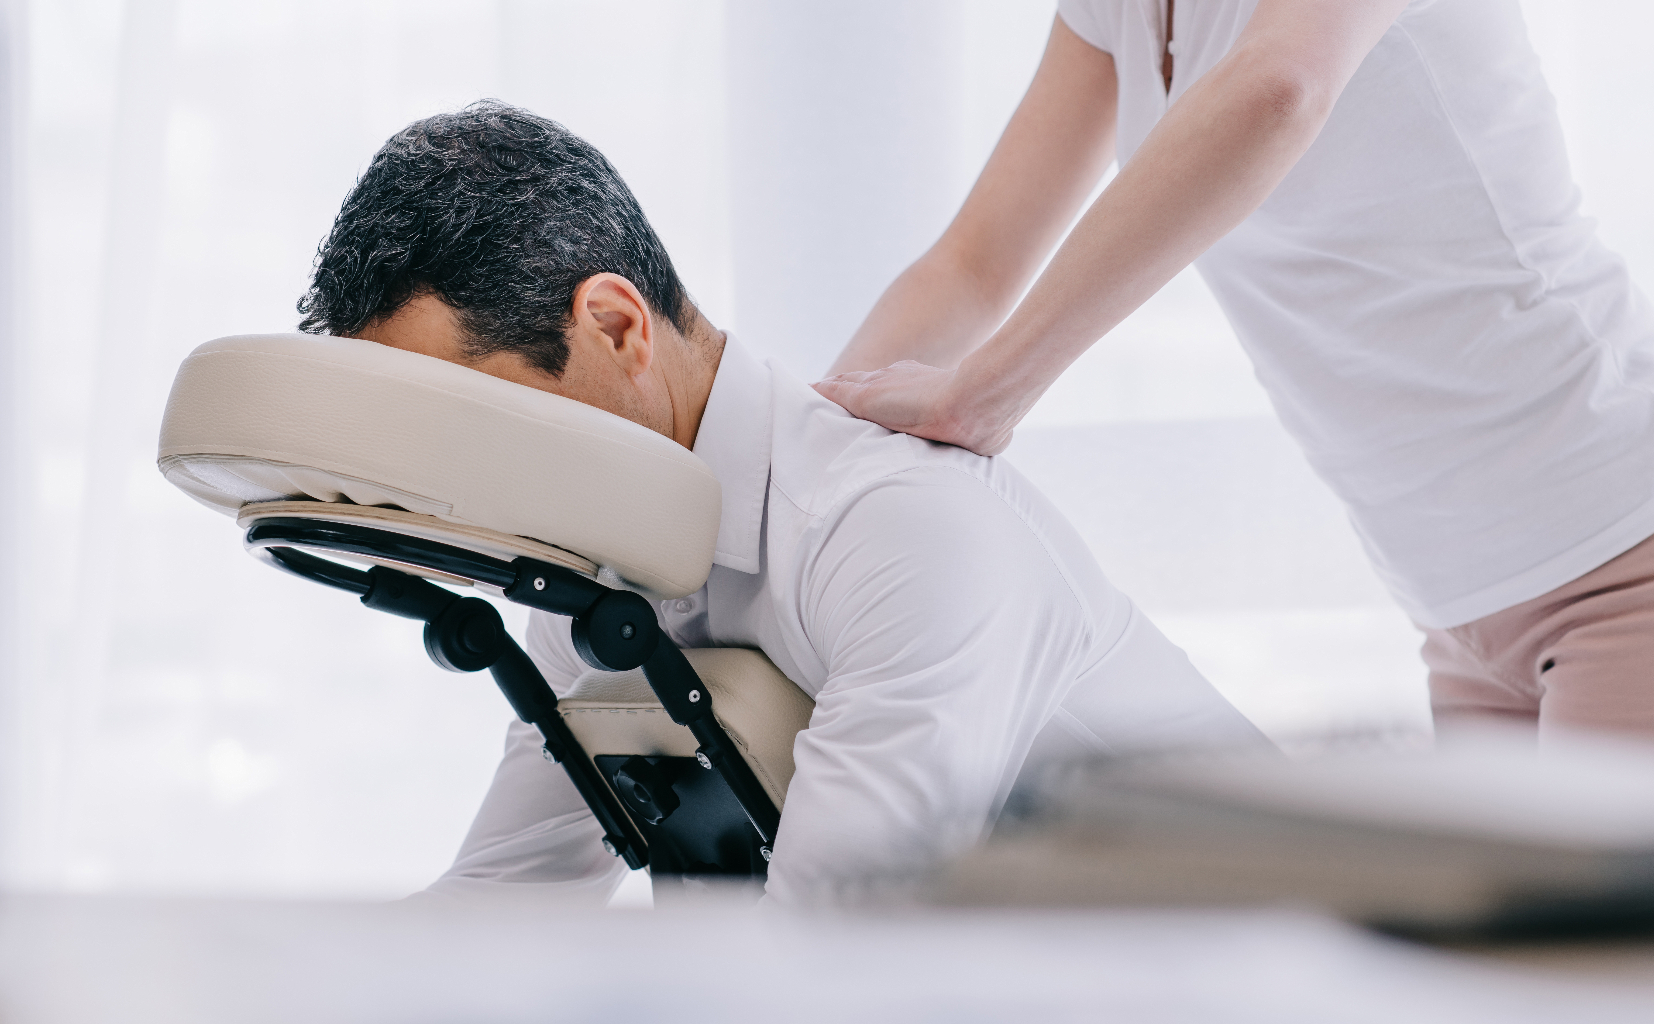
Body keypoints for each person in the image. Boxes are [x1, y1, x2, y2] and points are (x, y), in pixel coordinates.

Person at [816, 0, 1654, 771]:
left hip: (1646, 556)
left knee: (1622, 944)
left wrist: (985, 393)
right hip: (1461, 614)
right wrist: (804, 459)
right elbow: (974, 264)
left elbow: (1277, 88)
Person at [295, 102, 1266, 905]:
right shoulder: (592, 577)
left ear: (614, 326)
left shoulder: (895, 533)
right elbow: (505, 895)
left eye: (467, 425)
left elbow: (824, 963)